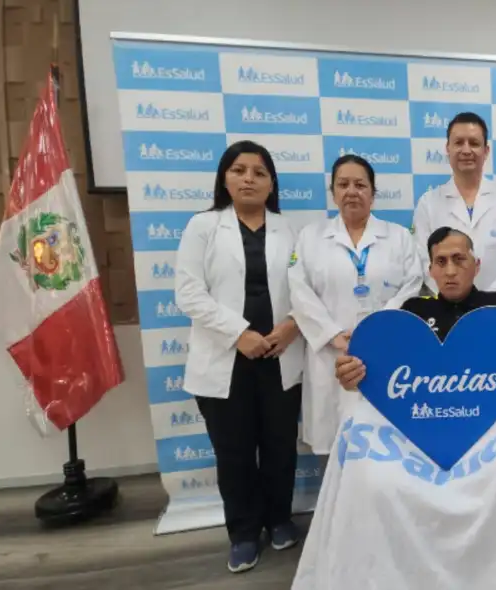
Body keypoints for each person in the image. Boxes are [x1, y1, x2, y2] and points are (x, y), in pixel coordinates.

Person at [290, 227, 496, 590]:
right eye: (442, 261)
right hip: (416, 434)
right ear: (431, 270)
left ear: (476, 264)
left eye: (460, 259)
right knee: (374, 480)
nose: (451, 270)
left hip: (491, 429)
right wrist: (354, 375)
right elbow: (378, 379)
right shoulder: (411, 312)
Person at [174, 140, 305, 573]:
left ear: (272, 183)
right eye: (239, 170)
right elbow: (188, 293)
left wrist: (292, 324)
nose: (249, 178)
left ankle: (279, 518)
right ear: (224, 178)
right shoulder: (203, 226)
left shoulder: (291, 230)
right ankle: (245, 533)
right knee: (234, 453)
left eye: (259, 172)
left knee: (280, 447)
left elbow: (307, 289)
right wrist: (239, 334)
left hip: (280, 357)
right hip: (226, 362)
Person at [287, 154, 424, 460]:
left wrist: (376, 332)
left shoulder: (399, 237)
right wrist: (332, 333)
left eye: (360, 184)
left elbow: (413, 285)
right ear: (333, 192)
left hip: (385, 353)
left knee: (387, 444)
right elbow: (298, 289)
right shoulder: (311, 237)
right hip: (331, 355)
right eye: (343, 184)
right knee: (335, 447)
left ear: (373, 193)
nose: (352, 191)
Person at [412, 112, 496, 297]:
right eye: (459, 143)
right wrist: (454, 299)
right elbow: (424, 261)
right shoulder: (428, 203)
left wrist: (489, 303)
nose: (466, 150)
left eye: (474, 143)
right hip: (449, 312)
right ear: (448, 148)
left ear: (486, 151)